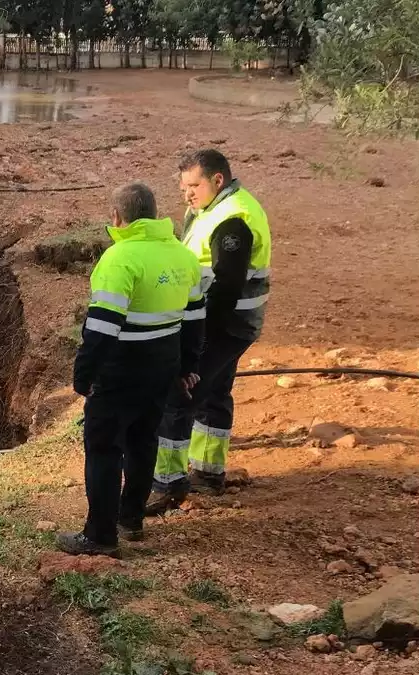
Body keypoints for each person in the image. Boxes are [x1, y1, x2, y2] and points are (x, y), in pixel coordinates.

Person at [57, 182, 204, 557]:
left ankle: (100, 536)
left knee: (104, 448)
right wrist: (187, 366)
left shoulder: (120, 258)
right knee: (143, 440)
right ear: (155, 215)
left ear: (117, 217)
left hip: (122, 370)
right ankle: (131, 519)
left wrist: (83, 376)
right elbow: (195, 318)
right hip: (163, 365)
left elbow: (102, 326)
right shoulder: (182, 255)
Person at [146, 150, 272, 512]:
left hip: (225, 324)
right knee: (215, 392)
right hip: (234, 324)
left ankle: (167, 484)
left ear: (218, 180)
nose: (187, 193)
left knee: (179, 395)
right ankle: (208, 472)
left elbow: (226, 289)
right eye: (183, 186)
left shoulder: (233, 221)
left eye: (194, 185)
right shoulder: (213, 209)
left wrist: (195, 343)